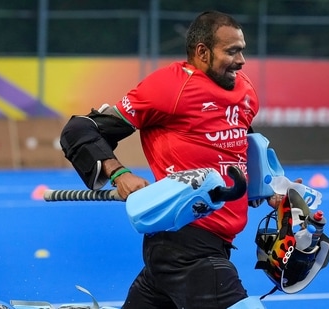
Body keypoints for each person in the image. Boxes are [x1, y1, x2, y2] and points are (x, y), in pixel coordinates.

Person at [60, 10, 273, 309]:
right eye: (232, 51)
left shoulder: (245, 92)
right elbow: (79, 130)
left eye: (242, 51)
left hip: (201, 248)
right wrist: (119, 174)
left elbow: (239, 144)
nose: (242, 61)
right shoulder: (169, 87)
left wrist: (269, 188)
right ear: (202, 52)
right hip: (186, 249)